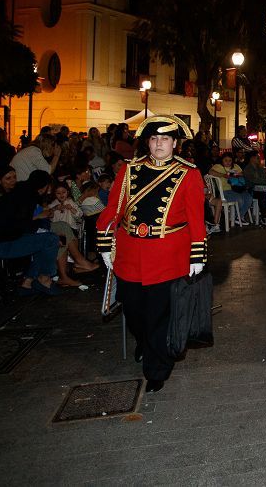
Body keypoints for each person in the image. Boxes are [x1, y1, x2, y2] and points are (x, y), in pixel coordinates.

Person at [97, 116, 207, 393]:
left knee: (159, 314)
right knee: (133, 309)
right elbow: (113, 209)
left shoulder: (188, 173)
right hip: (131, 252)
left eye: (165, 139)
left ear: (175, 144)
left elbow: (196, 218)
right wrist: (104, 242)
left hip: (168, 253)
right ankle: (145, 343)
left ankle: (157, 367)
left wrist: (197, 253)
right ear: (148, 142)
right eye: (155, 139)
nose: (159, 144)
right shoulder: (129, 170)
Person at [0, 170, 62, 296]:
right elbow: (21, 226)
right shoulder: (27, 197)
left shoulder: (17, 192)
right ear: (43, 188)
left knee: (44, 239)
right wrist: (38, 219)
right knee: (51, 240)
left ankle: (28, 281)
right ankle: (44, 278)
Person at [208, 152, 254, 224]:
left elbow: (244, 173)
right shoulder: (218, 166)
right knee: (239, 200)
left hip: (237, 189)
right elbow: (210, 172)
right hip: (224, 191)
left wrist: (237, 174)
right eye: (225, 160)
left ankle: (236, 217)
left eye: (230, 160)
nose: (228, 162)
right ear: (222, 160)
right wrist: (223, 175)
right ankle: (234, 217)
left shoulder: (236, 166)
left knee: (249, 198)